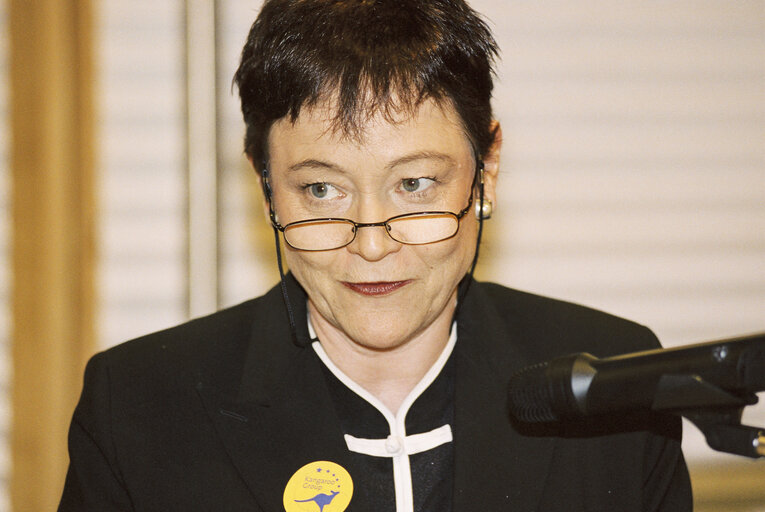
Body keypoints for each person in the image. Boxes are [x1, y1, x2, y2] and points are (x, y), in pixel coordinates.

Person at [59, 0, 692, 510]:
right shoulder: (139, 407)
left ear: (487, 168)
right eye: (321, 190)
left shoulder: (615, 385)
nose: (370, 243)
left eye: (416, 184)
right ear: (264, 183)